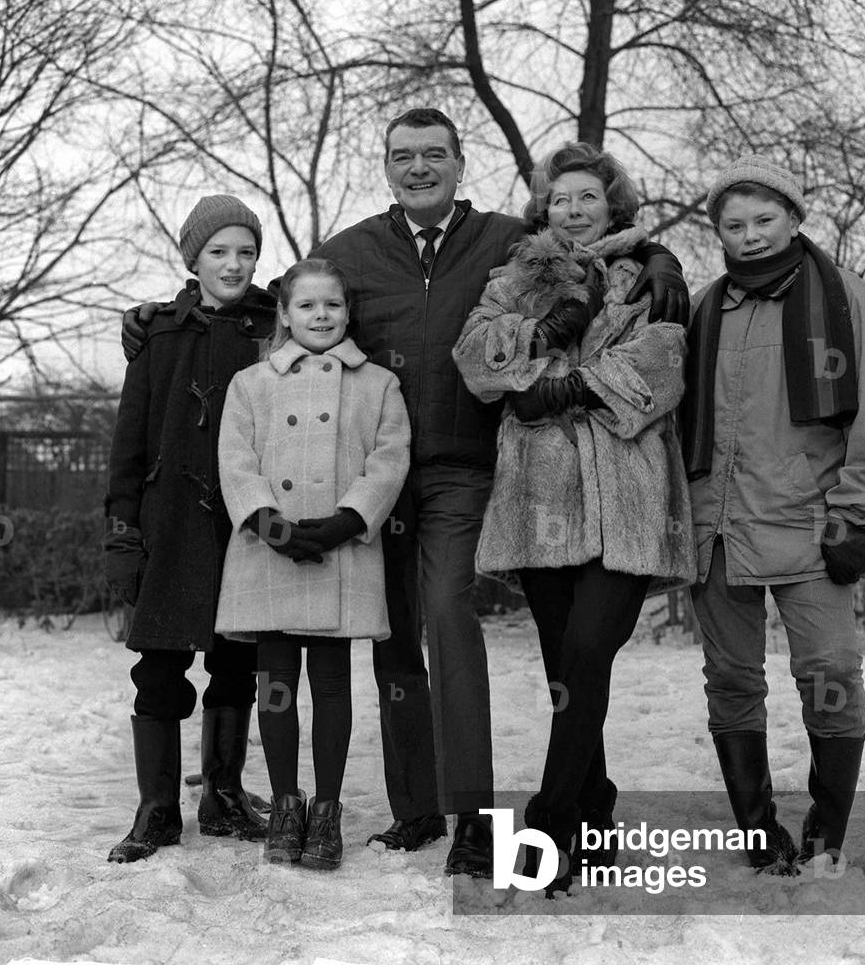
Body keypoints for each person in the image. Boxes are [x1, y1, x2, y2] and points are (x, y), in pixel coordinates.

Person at [121, 108, 691, 878]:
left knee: (450, 621)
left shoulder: (501, 241)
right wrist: (163, 313)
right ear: (386, 166)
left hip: (460, 465)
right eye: (402, 156)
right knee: (392, 642)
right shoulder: (351, 250)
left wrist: (663, 260)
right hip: (370, 480)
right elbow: (287, 306)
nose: (417, 167)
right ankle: (415, 804)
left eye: (433, 154)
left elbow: (584, 247)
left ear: (460, 162)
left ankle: (474, 819)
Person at [452, 141, 697, 894]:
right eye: (562, 199)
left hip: (627, 495)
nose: (574, 209)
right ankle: (596, 815)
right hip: (541, 501)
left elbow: (662, 363)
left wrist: (563, 390)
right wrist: (547, 328)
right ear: (544, 207)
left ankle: (548, 824)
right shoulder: (512, 279)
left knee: (588, 653)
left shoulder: (648, 275)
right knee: (567, 670)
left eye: (588, 197)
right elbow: (476, 358)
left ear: (614, 204)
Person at [682, 154, 865, 874]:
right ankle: (757, 829)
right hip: (716, 526)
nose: (749, 235)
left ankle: (827, 826)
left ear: (793, 217)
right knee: (732, 679)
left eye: (764, 220)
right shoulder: (704, 306)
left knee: (831, 671)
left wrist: (861, 512)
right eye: (734, 224)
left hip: (813, 523)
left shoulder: (844, 297)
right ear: (718, 230)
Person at [213, 257, 410, 870]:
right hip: (267, 550)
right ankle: (285, 803)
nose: (320, 316)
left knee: (330, 686)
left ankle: (326, 809)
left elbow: (389, 458)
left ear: (348, 313)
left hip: (342, 550)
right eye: (307, 305)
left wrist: (347, 521)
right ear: (285, 313)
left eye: (332, 305)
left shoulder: (379, 383)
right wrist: (270, 523)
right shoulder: (251, 383)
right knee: (274, 687)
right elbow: (236, 460)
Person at [104, 195, 275, 863]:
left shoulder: (274, 327)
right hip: (169, 524)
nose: (233, 264)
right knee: (160, 671)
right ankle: (157, 808)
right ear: (193, 259)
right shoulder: (159, 336)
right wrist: (123, 533)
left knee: (237, 663)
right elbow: (128, 446)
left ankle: (224, 794)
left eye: (245, 251)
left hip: (245, 524)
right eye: (219, 252)